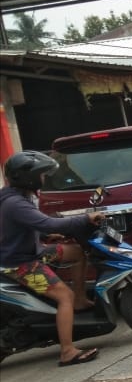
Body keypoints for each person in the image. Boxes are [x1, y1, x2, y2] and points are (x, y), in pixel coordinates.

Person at [0, 150, 105, 366]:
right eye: (41, 174)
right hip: (20, 264)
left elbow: (28, 227)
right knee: (63, 296)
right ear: (27, 177)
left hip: (31, 252)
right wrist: (85, 218)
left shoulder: (19, 196)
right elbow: (48, 223)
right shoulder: (15, 203)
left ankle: (80, 298)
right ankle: (67, 351)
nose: (43, 178)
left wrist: (46, 236)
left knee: (76, 251)